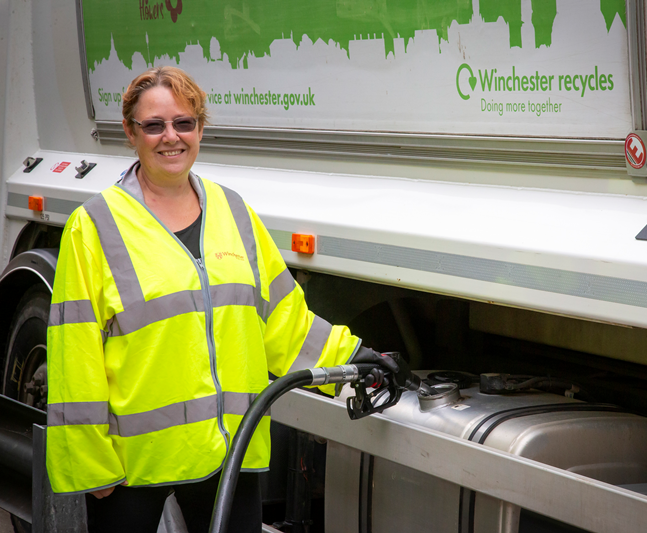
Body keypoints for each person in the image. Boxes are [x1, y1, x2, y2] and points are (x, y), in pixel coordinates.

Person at [46, 66, 397, 533]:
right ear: (131, 132)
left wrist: (354, 358)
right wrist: (92, 465)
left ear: (200, 128)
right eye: (154, 125)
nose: (171, 137)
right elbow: (76, 357)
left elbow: (280, 315)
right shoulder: (93, 227)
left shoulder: (233, 211)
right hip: (132, 465)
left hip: (229, 453)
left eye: (184, 123)